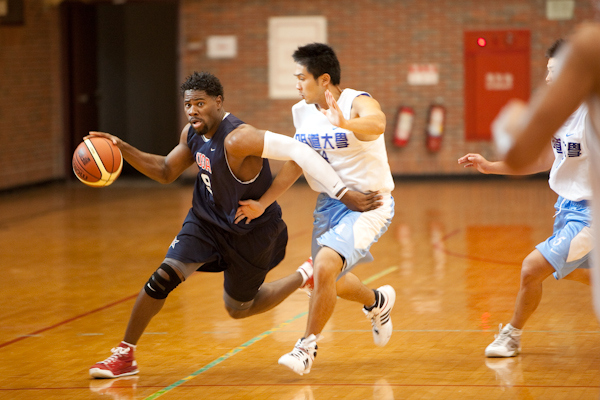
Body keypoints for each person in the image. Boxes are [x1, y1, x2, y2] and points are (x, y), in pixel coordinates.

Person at [88, 71, 380, 379]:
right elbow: (164, 170)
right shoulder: (192, 133)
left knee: (239, 308)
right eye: (188, 105)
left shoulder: (240, 138)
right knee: (162, 278)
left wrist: (344, 195)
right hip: (205, 222)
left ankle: (303, 275)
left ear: (218, 102)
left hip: (251, 231)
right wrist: (121, 147)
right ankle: (125, 355)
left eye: (200, 103)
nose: (192, 111)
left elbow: (300, 152)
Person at [234, 43, 396, 375]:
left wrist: (345, 124)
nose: (297, 84)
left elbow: (377, 124)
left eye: (301, 77)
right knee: (331, 280)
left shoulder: (356, 101)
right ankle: (376, 301)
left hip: (370, 204)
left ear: (324, 80)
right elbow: (299, 161)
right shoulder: (303, 112)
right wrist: (262, 204)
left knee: (323, 266)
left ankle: (306, 346)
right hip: (329, 205)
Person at [492, 25, 600, 351]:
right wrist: (490, 166)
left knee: (531, 268)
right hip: (566, 207)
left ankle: (511, 334)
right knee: (565, 271)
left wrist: (508, 125)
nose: (549, 79)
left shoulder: (587, 109)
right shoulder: (562, 117)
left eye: (556, 72)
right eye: (548, 72)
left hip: (590, 214)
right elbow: (541, 160)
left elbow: (517, 147)